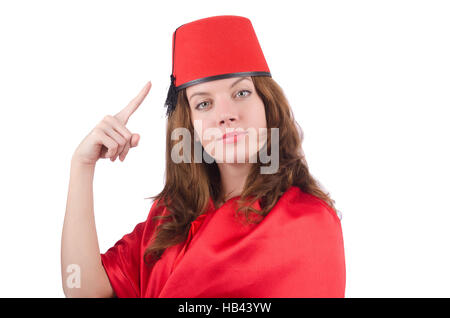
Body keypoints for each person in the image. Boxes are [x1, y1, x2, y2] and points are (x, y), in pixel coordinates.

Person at [61, 15, 346, 298]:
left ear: (268, 106)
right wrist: (81, 167)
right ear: (191, 126)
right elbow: (80, 289)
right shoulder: (170, 217)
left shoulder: (306, 221)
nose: (225, 115)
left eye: (242, 92)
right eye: (204, 103)